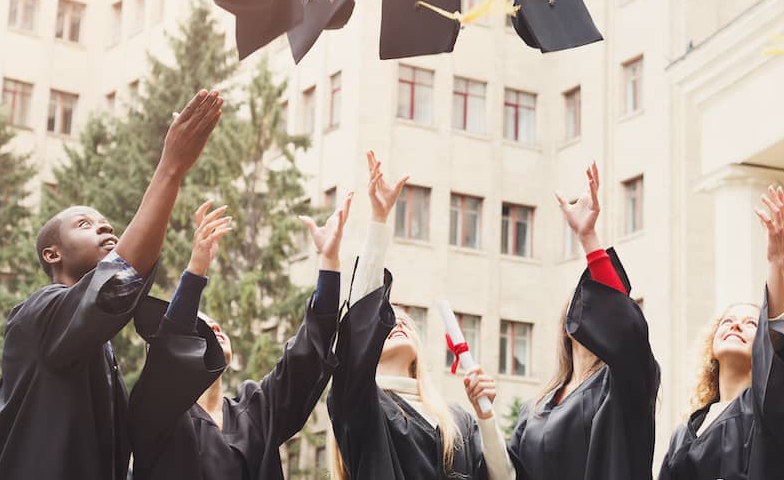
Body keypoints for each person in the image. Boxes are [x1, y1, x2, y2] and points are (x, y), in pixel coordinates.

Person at [0, 89, 223, 480]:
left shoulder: (94, 344)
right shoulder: (38, 316)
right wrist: (170, 169)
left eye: (104, 222)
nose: (105, 226)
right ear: (52, 254)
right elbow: (117, 283)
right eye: (84, 224)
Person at [127, 193, 351, 479]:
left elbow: (305, 359)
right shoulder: (158, 418)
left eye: (214, 322)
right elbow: (170, 348)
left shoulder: (254, 410)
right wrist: (196, 270)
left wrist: (329, 262)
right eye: (200, 326)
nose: (214, 326)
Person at [328, 151, 515, 480]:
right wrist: (378, 223)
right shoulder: (362, 407)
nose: (397, 323)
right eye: (387, 320)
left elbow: (504, 477)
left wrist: (485, 417)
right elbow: (358, 325)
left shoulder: (456, 420)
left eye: (404, 321)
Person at [507, 162, 661, 480]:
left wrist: (588, 238)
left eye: (596, 302)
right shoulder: (534, 408)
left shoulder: (623, 385)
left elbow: (626, 330)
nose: (591, 307)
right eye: (581, 300)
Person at [659, 185, 784, 479]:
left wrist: (776, 260)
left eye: (752, 323)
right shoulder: (684, 433)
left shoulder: (767, 413)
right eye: (727, 321)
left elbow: (779, 338)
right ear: (710, 348)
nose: (736, 325)